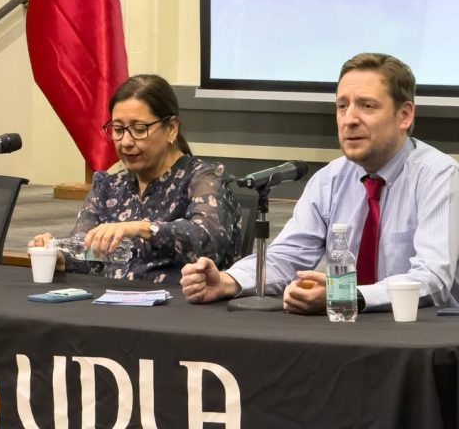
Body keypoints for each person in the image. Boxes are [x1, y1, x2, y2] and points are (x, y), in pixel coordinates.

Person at [181, 52, 459, 313]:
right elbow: (287, 257)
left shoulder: (439, 175)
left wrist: (347, 295)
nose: (349, 119)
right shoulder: (329, 179)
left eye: (367, 105)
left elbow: (432, 278)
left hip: (422, 338)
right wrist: (229, 281)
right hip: (345, 330)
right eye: (342, 106)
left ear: (404, 115)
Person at [29, 74, 241, 284]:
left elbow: (209, 243)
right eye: (118, 130)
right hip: (109, 306)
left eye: (139, 130)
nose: (126, 142)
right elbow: (87, 254)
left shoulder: (204, 178)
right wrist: (57, 256)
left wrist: (142, 228)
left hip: (177, 310)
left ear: (172, 128)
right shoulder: (108, 186)